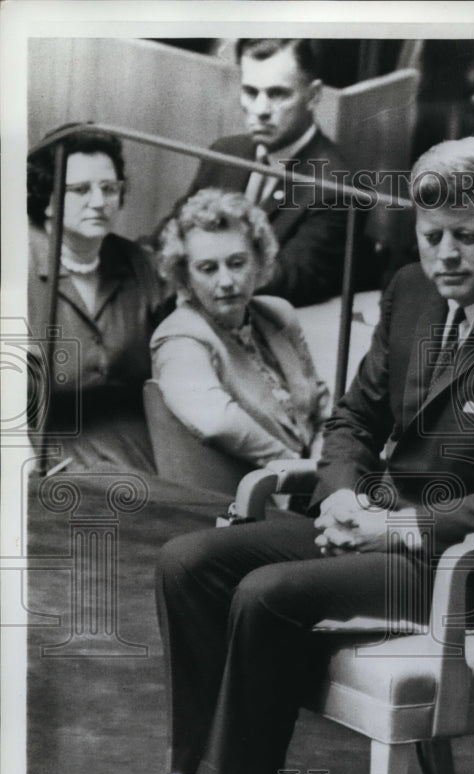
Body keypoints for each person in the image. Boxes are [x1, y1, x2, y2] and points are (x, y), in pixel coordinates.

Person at [101, 137, 474, 774]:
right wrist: (341, 492)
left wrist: (396, 525)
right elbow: (354, 419)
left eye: (467, 236)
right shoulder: (411, 291)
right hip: (381, 528)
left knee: (267, 593)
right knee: (188, 562)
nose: (445, 255)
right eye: (431, 235)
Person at [150, 189, 330, 470]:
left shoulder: (277, 314)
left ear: (258, 261)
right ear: (184, 275)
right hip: (249, 488)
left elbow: (322, 406)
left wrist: (325, 459)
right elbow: (216, 421)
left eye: (237, 264)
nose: (226, 281)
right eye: (208, 268)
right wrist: (297, 468)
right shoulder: (178, 339)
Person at [168, 38, 354, 307]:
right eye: (251, 92)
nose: (260, 110)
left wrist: (192, 270)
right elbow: (173, 230)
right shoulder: (224, 152)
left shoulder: (337, 184)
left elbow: (291, 278)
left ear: (314, 95)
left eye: (278, 94)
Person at [27, 129, 162, 473]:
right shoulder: (15, 263)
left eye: (109, 188)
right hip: (41, 449)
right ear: (46, 197)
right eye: (80, 190)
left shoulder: (140, 264)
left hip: (136, 449)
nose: (99, 202)